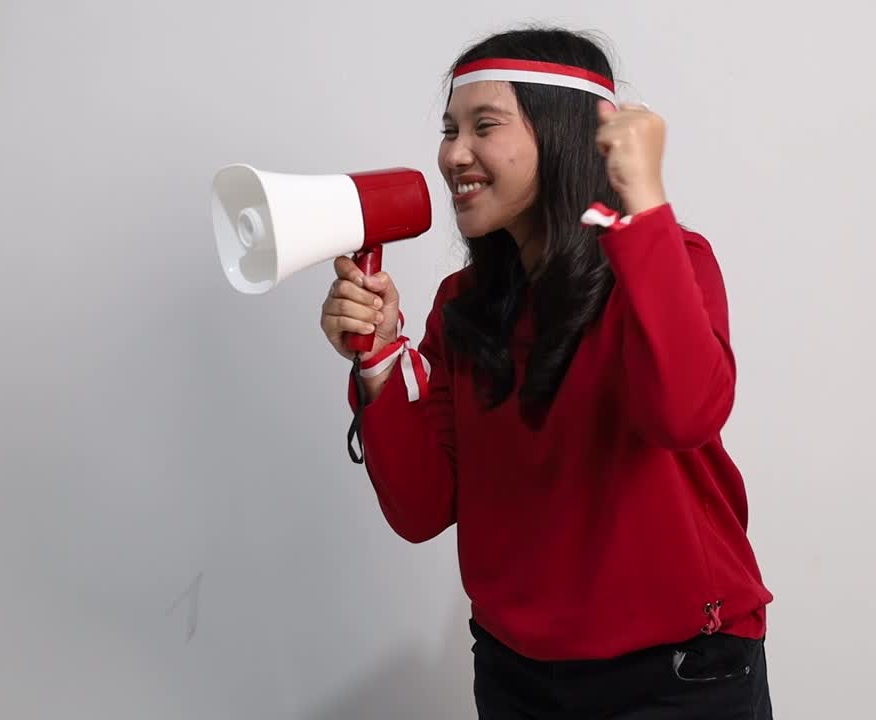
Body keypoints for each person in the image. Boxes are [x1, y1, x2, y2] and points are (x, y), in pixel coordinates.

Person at [319, 26, 775, 719]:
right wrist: (380, 361)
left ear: (563, 135)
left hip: (679, 675)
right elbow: (420, 508)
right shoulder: (462, 306)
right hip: (516, 676)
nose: (453, 153)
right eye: (449, 129)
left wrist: (642, 202)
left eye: (484, 126)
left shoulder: (670, 260)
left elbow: (684, 414)